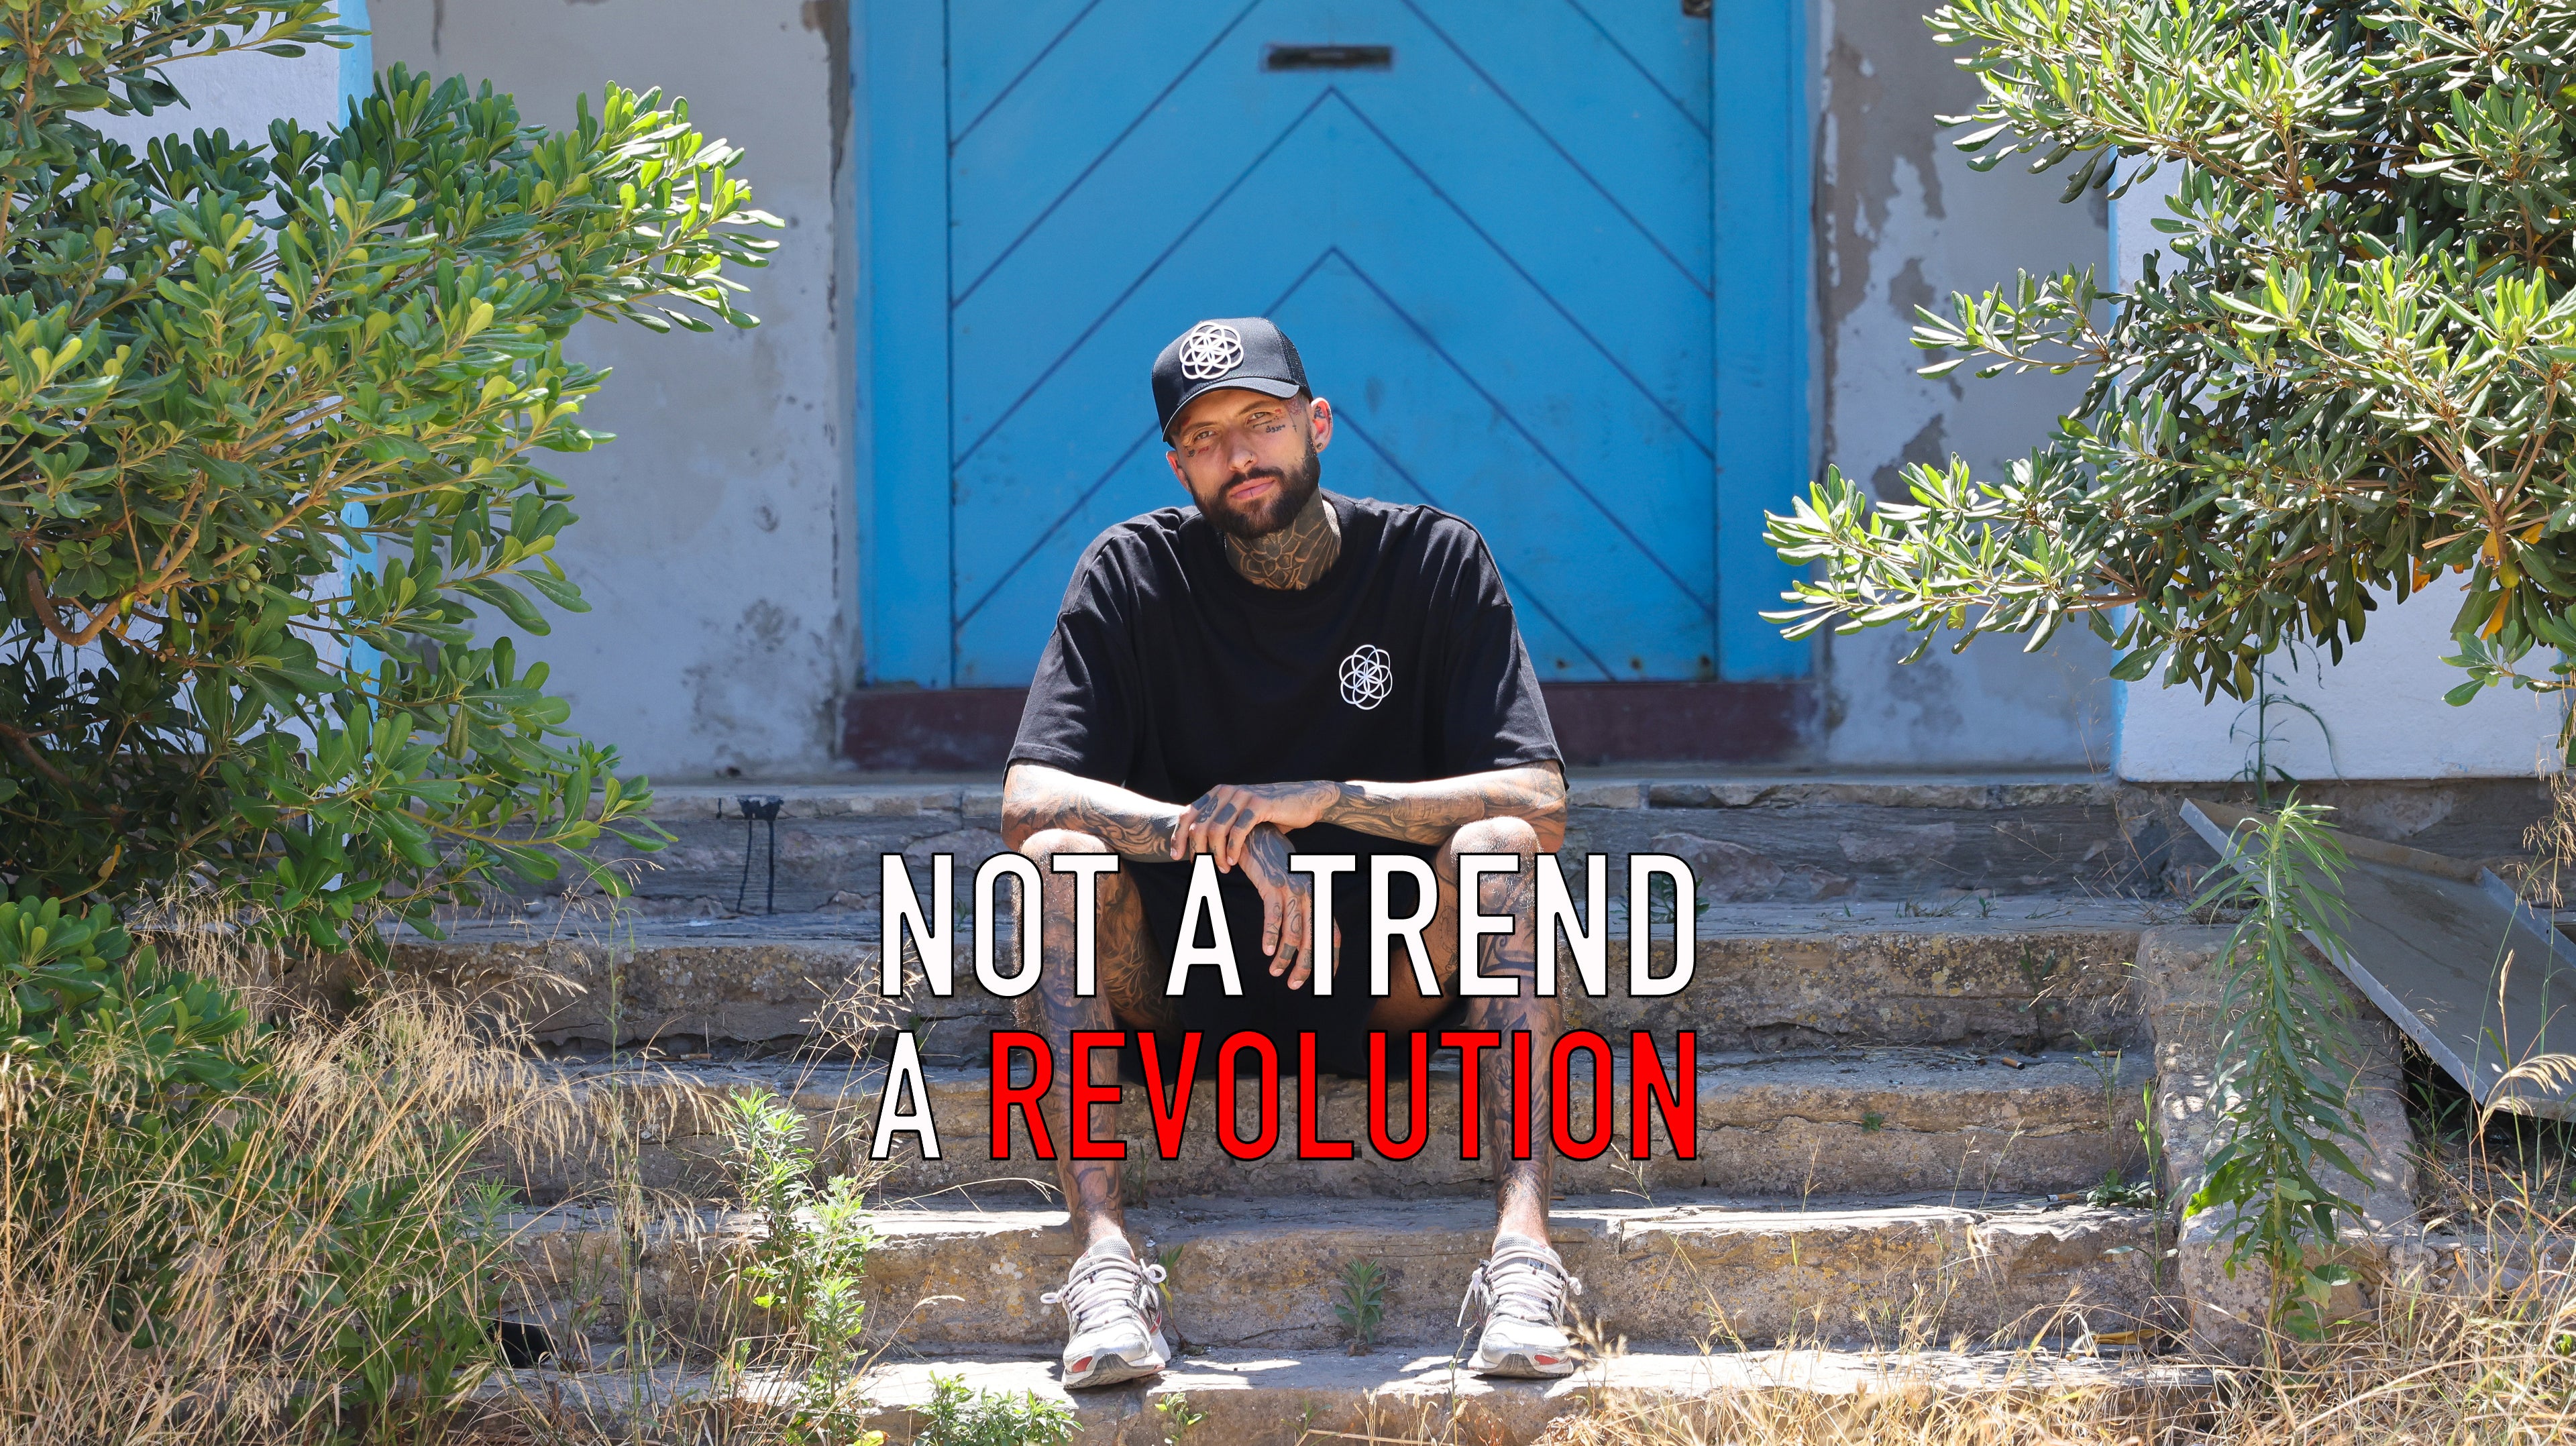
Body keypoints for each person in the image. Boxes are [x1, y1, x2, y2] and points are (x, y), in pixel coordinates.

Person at [1000, 317, 1577, 1389]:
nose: (1240, 454)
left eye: (1262, 422)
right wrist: (1215, 831)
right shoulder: (1131, 573)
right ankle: (1108, 1267)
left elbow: (1541, 800)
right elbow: (1028, 796)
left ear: (1317, 424)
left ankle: (1525, 1253)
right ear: (1180, 464)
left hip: (1389, 981)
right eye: (1207, 436)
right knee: (1058, 861)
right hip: (1177, 989)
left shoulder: (1431, 560)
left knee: (1500, 846)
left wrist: (1327, 801)